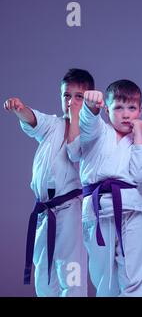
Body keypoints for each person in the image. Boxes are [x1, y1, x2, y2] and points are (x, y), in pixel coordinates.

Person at [3, 68, 93, 296]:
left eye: (78, 96)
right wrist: (20, 109)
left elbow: (77, 153)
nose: (71, 102)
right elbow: (33, 119)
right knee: (43, 268)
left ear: (90, 98)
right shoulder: (52, 125)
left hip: (70, 208)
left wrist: (76, 120)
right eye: (66, 95)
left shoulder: (91, 133)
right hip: (44, 210)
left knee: (70, 269)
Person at [80, 79, 142, 296]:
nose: (126, 114)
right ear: (106, 110)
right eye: (118, 107)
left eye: (132, 108)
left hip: (132, 210)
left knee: (135, 273)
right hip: (97, 209)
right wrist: (90, 107)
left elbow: (141, 174)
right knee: (104, 276)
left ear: (140, 111)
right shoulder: (98, 132)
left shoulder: (140, 144)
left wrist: (139, 135)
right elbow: (87, 123)